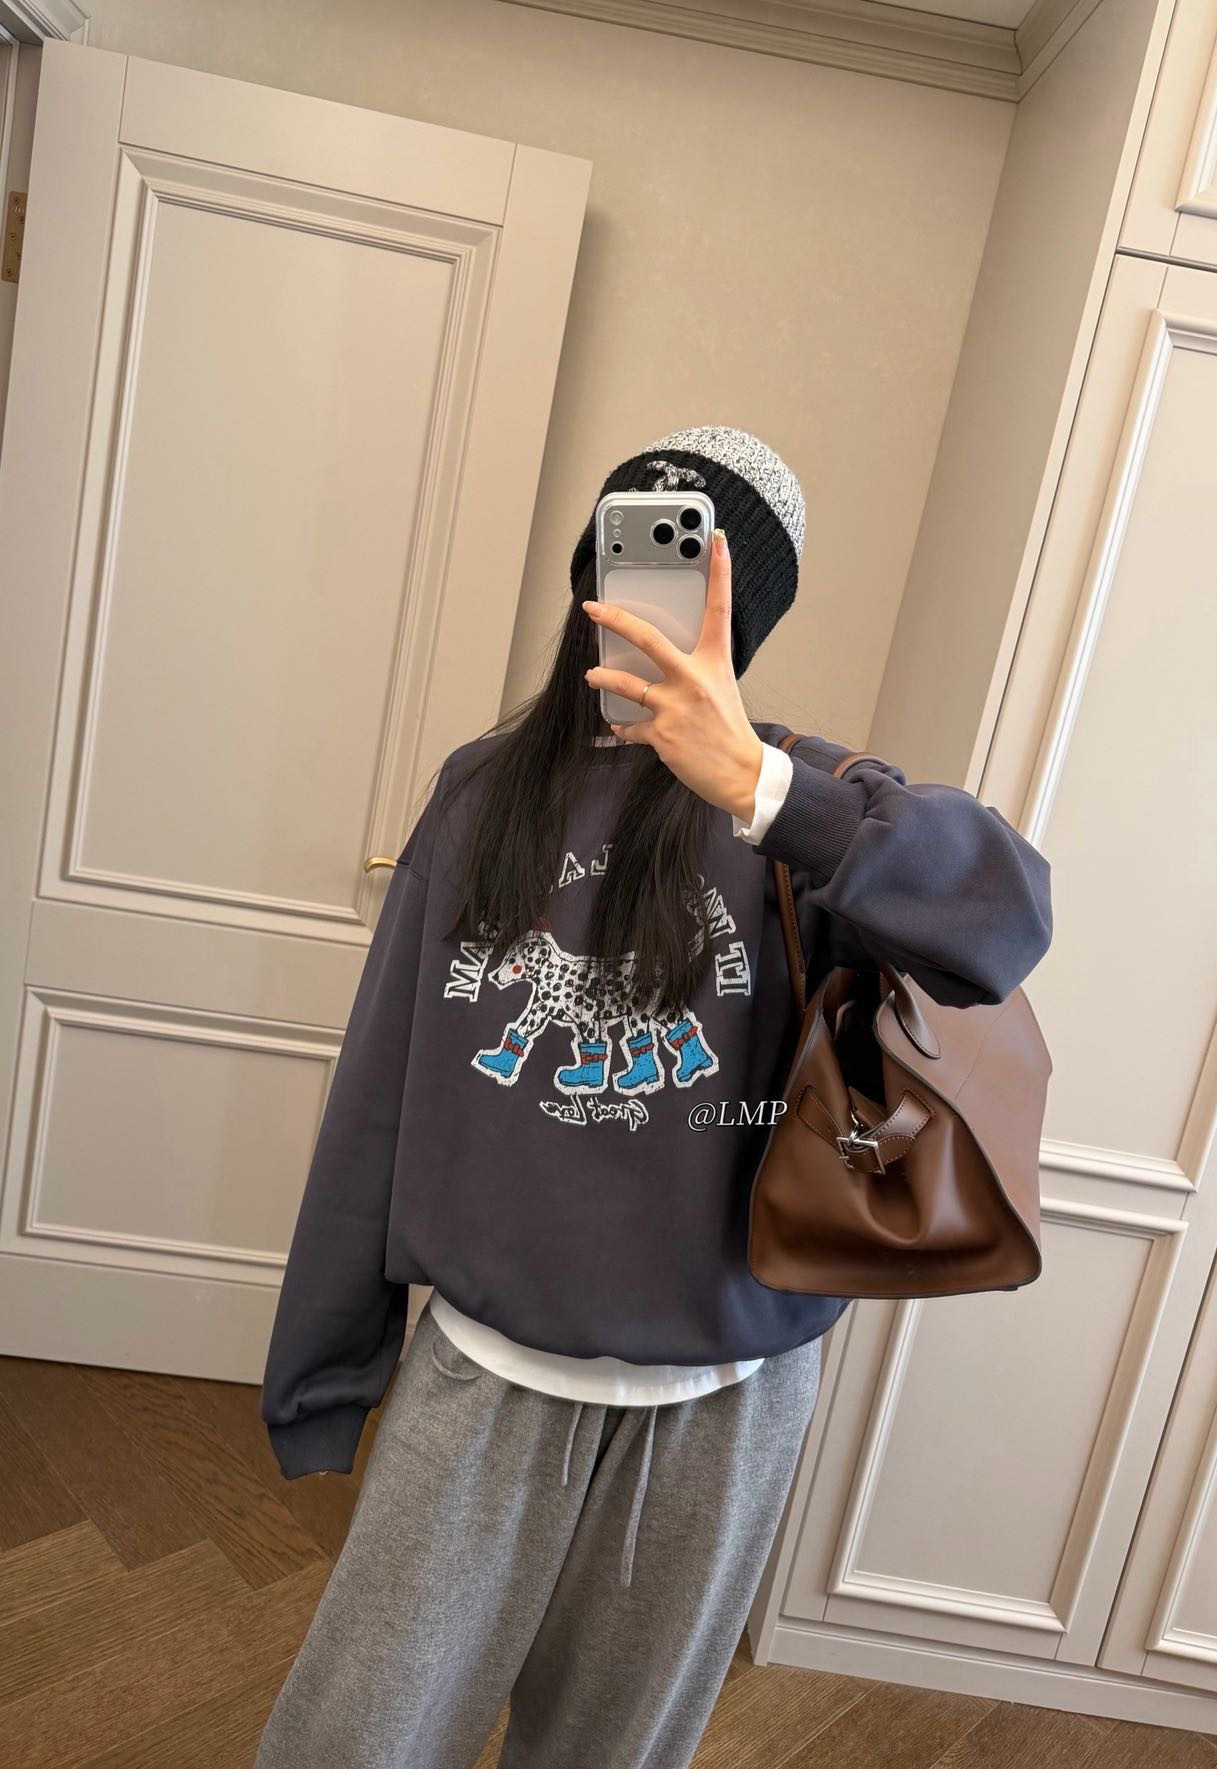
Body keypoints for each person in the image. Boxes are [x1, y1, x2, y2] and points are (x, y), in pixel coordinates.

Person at [253, 426, 1053, 1769]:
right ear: (593, 577)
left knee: (613, 1756)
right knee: (354, 1742)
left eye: (698, 570)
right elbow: (379, 1090)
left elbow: (1006, 920)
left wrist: (762, 787)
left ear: (750, 609)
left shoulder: (810, 807)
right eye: (632, 556)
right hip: (484, 1378)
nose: (651, 601)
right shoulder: (484, 794)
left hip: (723, 1405)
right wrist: (326, 1372)